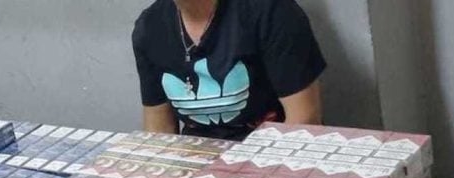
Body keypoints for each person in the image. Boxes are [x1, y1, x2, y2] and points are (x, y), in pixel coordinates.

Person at [132, 0, 326, 140]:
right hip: (197, 158)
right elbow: (159, 128)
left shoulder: (272, 11)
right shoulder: (150, 27)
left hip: (271, 152)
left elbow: (304, 120)